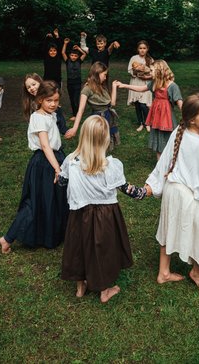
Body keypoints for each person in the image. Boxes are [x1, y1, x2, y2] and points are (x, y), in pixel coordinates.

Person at [144, 94, 199, 292]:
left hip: (171, 191)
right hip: (186, 195)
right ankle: (197, 273)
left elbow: (164, 163)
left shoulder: (180, 130)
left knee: (169, 229)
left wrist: (153, 185)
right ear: (192, 119)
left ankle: (164, 272)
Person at [59, 115, 146, 302]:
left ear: (83, 136)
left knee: (79, 247)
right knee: (103, 249)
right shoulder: (110, 166)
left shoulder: (70, 161)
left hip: (79, 214)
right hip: (105, 216)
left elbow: (62, 181)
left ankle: (80, 286)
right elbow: (127, 188)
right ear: (105, 139)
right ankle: (105, 290)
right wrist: (144, 192)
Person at [0, 81, 69, 252]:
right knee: (36, 201)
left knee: (54, 200)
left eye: (55, 100)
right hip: (45, 163)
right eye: (48, 100)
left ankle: (51, 234)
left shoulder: (50, 114)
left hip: (56, 158)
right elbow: (45, 146)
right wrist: (57, 169)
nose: (53, 104)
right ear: (39, 100)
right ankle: (7, 238)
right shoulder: (38, 118)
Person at [117, 59, 182, 159]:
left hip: (167, 118)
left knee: (169, 141)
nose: (149, 73)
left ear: (159, 71)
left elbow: (180, 103)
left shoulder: (172, 86)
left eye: (151, 71)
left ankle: (171, 165)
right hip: (157, 117)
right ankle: (159, 166)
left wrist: (188, 117)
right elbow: (142, 88)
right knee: (158, 141)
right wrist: (125, 85)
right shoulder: (154, 83)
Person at [65, 62, 120, 149]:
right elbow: (81, 110)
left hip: (108, 116)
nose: (105, 78)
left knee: (105, 143)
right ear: (97, 73)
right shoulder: (87, 89)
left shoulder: (102, 86)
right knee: (97, 143)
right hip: (98, 119)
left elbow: (112, 103)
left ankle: (101, 159)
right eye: (104, 75)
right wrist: (74, 128)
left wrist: (114, 87)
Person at [127, 40, 153, 132]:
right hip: (135, 82)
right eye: (140, 48)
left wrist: (146, 74)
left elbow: (153, 72)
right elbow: (130, 70)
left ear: (147, 49)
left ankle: (147, 123)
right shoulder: (134, 58)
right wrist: (136, 71)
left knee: (143, 105)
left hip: (145, 84)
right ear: (138, 49)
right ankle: (141, 123)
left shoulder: (150, 60)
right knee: (138, 105)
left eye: (144, 48)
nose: (142, 50)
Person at [61, 39, 87, 120]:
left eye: (75, 56)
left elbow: (84, 54)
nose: (73, 57)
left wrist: (78, 48)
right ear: (70, 55)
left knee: (76, 99)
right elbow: (62, 53)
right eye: (72, 55)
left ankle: (77, 115)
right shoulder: (67, 61)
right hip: (70, 83)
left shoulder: (79, 61)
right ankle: (74, 114)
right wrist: (65, 44)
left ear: (78, 56)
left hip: (77, 83)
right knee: (72, 99)